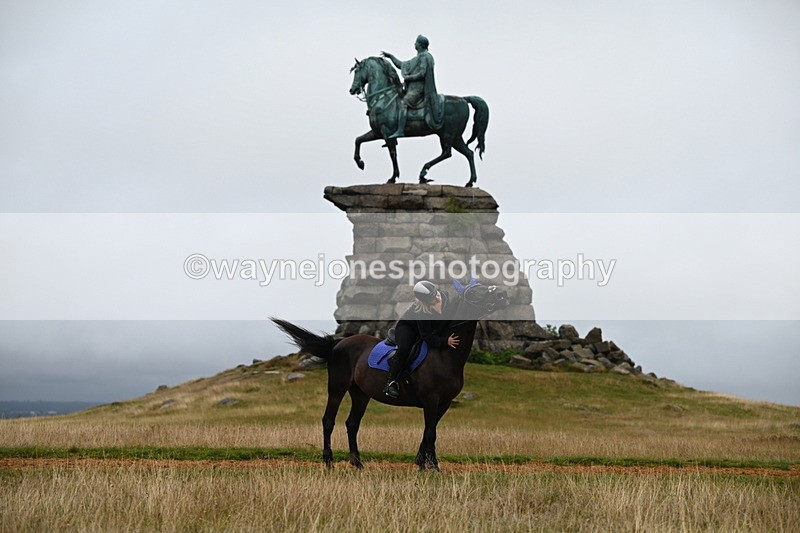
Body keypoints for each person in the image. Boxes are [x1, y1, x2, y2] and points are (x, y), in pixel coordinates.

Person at [384, 280, 460, 398]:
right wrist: (445, 341)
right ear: (424, 301)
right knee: (404, 349)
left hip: (428, 328)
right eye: (432, 298)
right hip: (408, 328)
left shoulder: (444, 296)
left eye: (436, 294)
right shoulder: (421, 311)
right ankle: (391, 383)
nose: (437, 298)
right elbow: (427, 336)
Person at [381, 35, 444, 138]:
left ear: (420, 45)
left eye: (416, 42)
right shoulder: (417, 58)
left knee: (403, 103)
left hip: (418, 90)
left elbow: (422, 73)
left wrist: (409, 78)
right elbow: (401, 64)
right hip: (411, 89)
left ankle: (401, 130)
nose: (414, 44)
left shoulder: (425, 56)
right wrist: (391, 56)